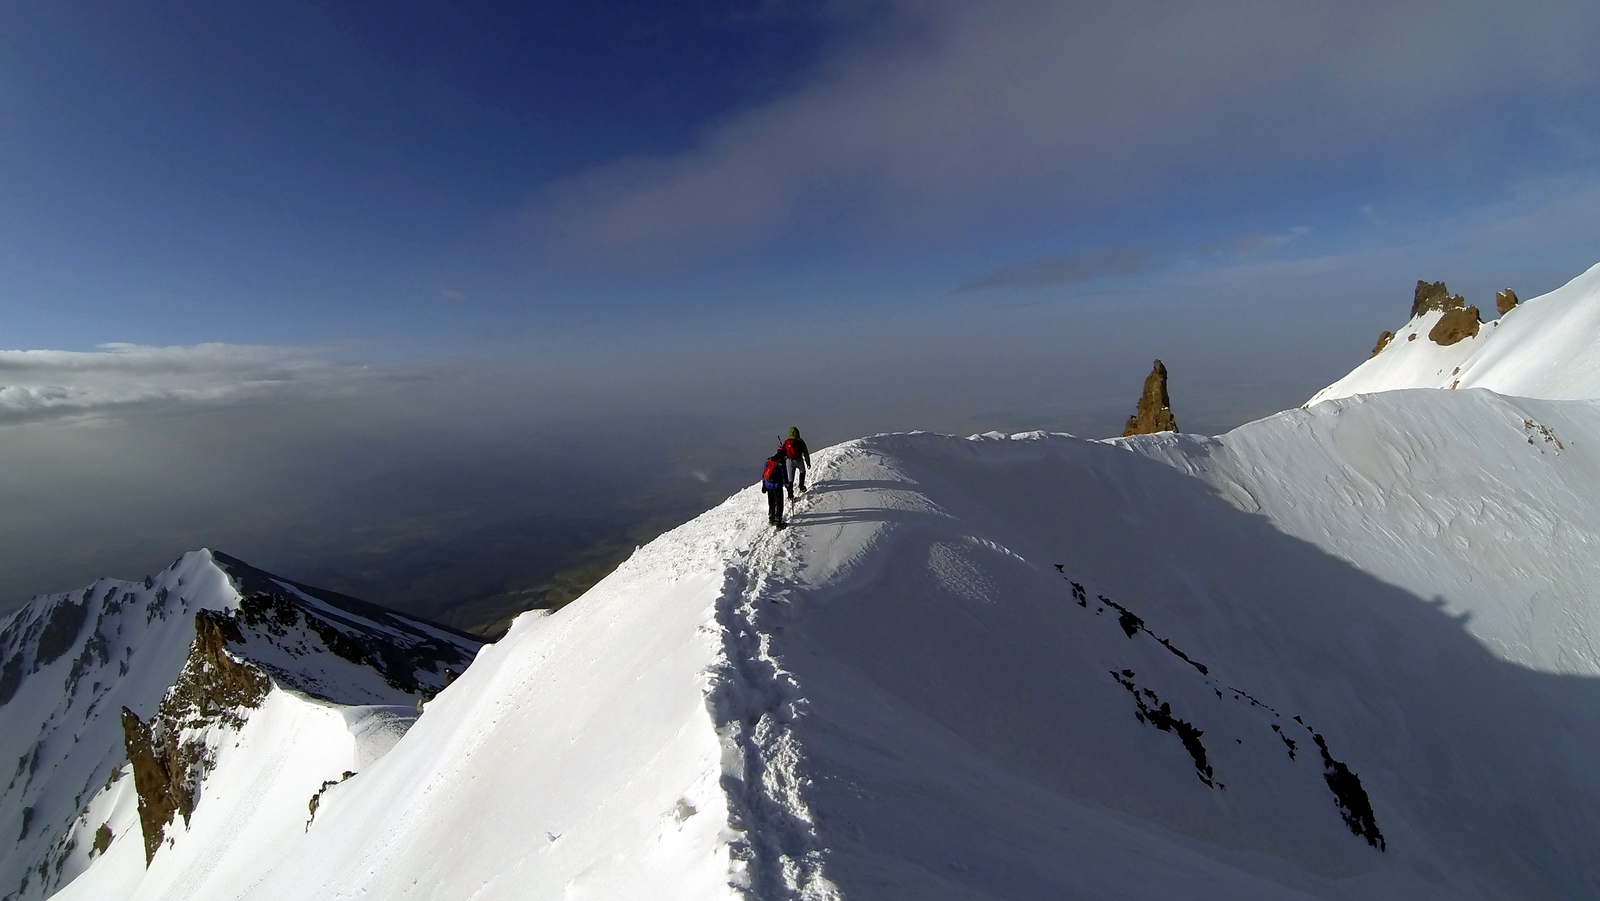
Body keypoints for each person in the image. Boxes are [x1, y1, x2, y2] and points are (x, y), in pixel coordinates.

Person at [783, 427, 811, 500]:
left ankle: (790, 495)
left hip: (789, 461)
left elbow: (783, 452)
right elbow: (805, 452)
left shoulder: (787, 442)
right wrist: (808, 462)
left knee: (790, 479)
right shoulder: (800, 441)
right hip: (798, 460)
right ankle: (801, 486)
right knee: (802, 471)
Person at [762, 449, 788, 527]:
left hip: (768, 485)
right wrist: (788, 486)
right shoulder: (780, 464)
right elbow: (784, 476)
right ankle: (778, 522)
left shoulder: (768, 461)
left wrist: (764, 485)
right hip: (777, 486)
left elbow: (764, 474)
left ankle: (771, 518)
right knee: (779, 503)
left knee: (771, 502)